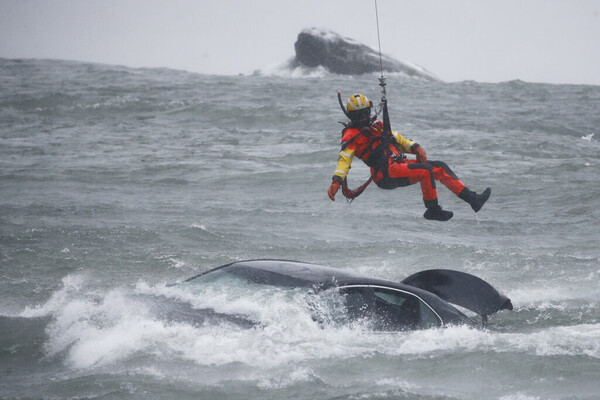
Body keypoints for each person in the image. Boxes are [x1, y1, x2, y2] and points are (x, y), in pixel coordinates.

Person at [327, 93, 490, 221]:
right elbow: (344, 160)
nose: (363, 118)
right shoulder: (350, 136)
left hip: (398, 165)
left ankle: (473, 199)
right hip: (385, 174)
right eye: (359, 116)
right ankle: (432, 209)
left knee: (439, 167)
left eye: (365, 113)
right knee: (425, 171)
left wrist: (415, 147)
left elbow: (397, 139)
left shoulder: (377, 125)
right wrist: (337, 181)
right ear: (352, 117)